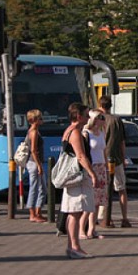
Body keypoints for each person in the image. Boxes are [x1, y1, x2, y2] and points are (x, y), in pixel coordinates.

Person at [61, 103, 99, 259]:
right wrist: (92, 173)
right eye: (86, 114)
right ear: (78, 116)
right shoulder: (75, 132)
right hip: (77, 177)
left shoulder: (68, 131)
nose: (88, 117)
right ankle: (75, 246)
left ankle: (72, 246)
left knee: (73, 212)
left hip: (72, 177)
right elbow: (80, 156)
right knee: (76, 211)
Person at [98, 96, 131, 228]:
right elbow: (122, 142)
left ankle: (107, 218)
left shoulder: (98, 120)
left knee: (105, 190)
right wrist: (123, 158)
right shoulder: (117, 120)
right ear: (110, 105)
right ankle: (124, 218)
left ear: (100, 105)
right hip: (116, 159)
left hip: (102, 158)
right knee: (121, 189)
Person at [79, 110, 107, 240]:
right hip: (92, 167)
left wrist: (106, 167)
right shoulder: (86, 133)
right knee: (89, 201)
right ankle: (81, 230)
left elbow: (104, 151)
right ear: (94, 119)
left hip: (101, 167)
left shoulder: (101, 133)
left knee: (98, 202)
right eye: (101, 117)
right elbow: (83, 153)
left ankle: (92, 229)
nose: (103, 120)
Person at [25, 109, 48, 223]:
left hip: (35, 162)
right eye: (40, 118)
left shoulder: (34, 131)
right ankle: (32, 214)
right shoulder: (33, 132)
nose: (42, 120)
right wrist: (39, 165)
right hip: (33, 163)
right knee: (34, 188)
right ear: (34, 120)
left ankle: (38, 212)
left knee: (43, 188)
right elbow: (33, 150)